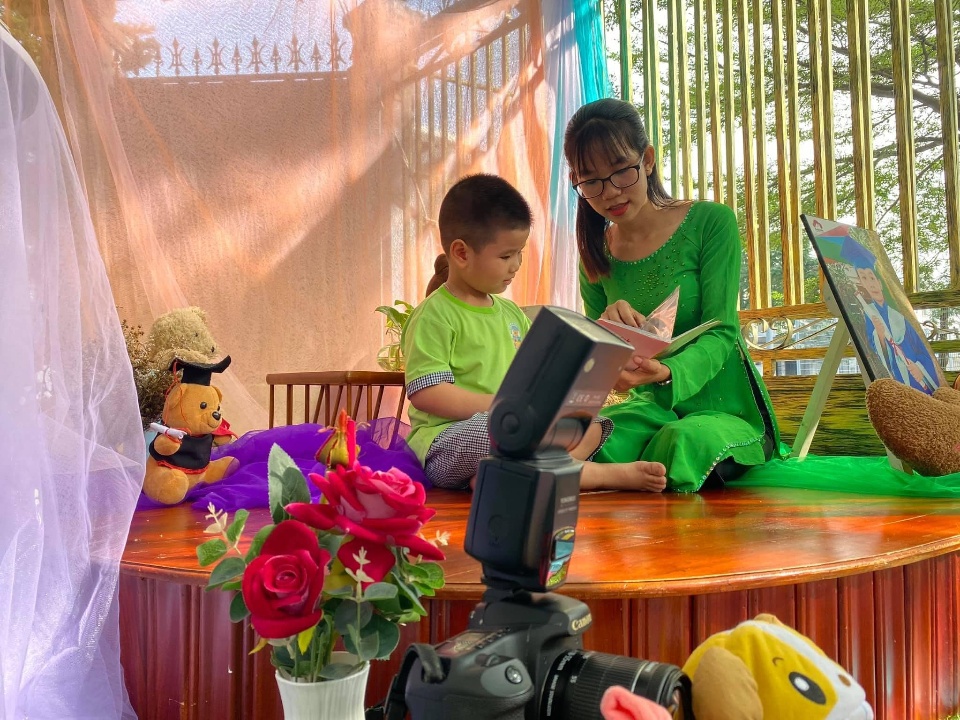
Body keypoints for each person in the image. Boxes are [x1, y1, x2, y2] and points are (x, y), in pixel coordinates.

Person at [563, 98, 782, 492]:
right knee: (576, 441)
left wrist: (667, 373)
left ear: (647, 160)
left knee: (681, 443)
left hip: (727, 410)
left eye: (621, 171)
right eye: (591, 181)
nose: (610, 192)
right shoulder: (595, 256)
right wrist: (609, 339)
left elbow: (723, 331)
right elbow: (603, 372)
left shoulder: (710, 223)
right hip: (651, 410)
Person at [402, 173, 668, 492]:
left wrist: (590, 369)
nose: (516, 265)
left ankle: (504, 473)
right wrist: (499, 405)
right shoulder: (435, 314)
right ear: (461, 253)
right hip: (447, 440)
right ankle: (601, 475)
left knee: (591, 425)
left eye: (520, 253)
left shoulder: (512, 314)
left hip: (511, 427)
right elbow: (428, 394)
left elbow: (540, 374)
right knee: (507, 431)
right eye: (506, 256)